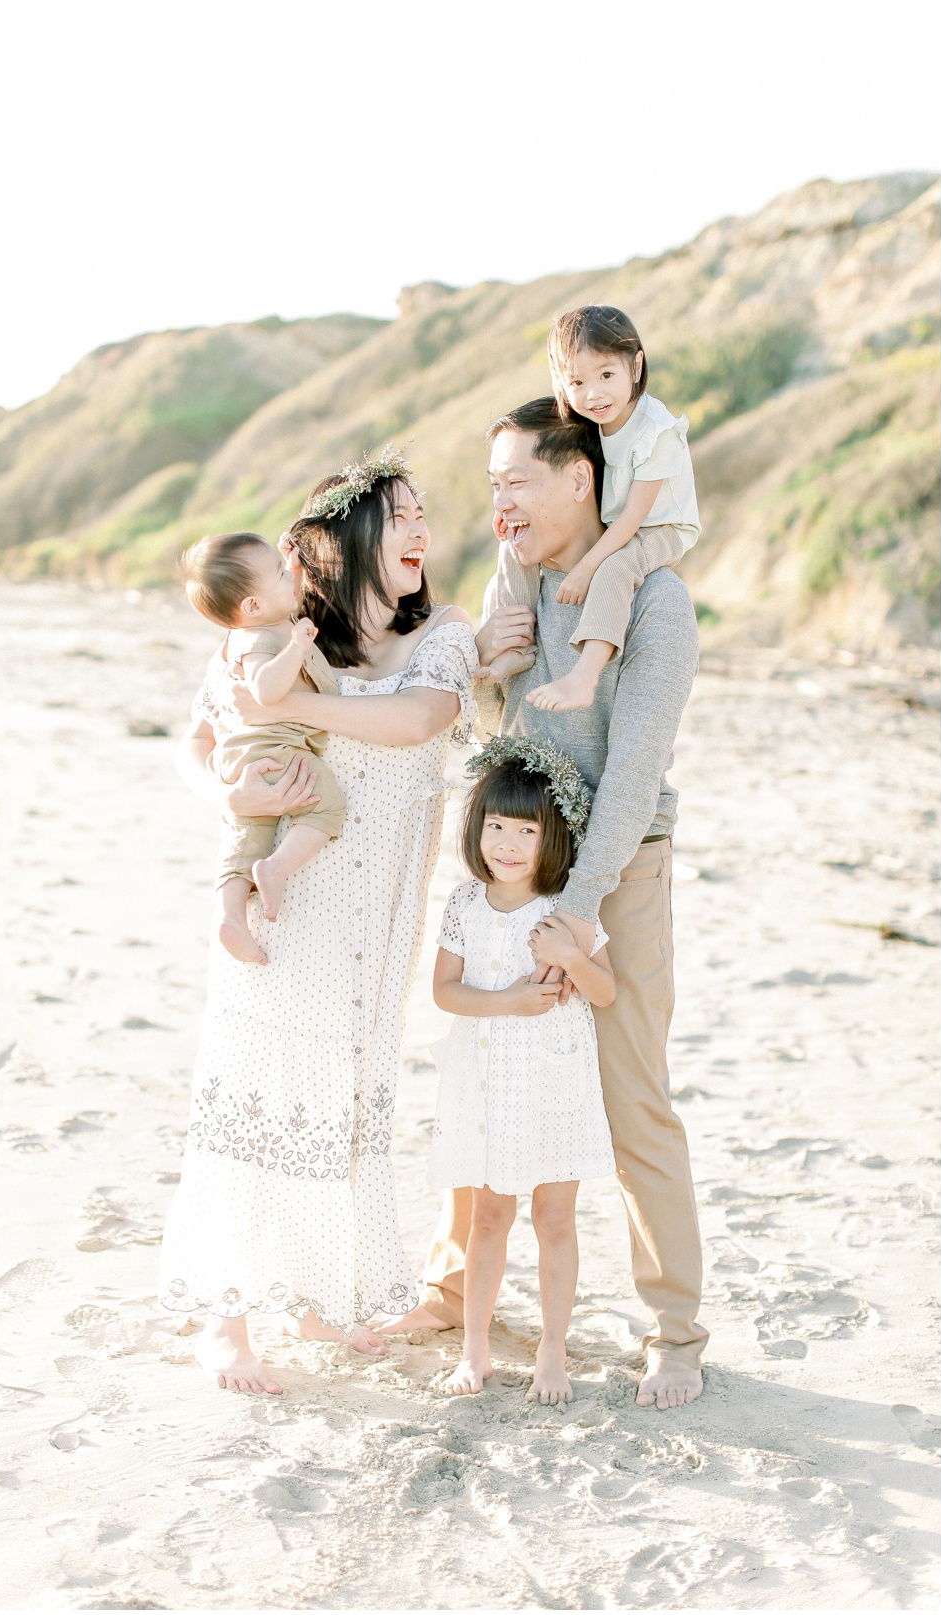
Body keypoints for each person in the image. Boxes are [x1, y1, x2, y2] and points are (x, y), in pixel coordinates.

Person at [383, 398, 707, 1411]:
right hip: (507, 875)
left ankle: (675, 1328)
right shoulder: (510, 583)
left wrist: (578, 913)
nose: (501, 504)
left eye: (517, 480)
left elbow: (634, 770)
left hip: (618, 871)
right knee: (483, 1071)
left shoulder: (654, 599)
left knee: (632, 1095)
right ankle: (451, 1286)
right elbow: (496, 743)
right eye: (490, 487)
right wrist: (496, 668)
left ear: (581, 478)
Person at [158, 446, 478, 1394]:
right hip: (285, 903)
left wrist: (290, 708)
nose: (423, 528)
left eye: (426, 513)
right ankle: (225, 1320)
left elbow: (421, 722)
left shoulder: (441, 637)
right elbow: (199, 741)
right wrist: (225, 787)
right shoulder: (282, 639)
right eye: (403, 513)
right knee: (256, 1093)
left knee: (338, 1102)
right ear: (344, 540)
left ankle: (304, 1293)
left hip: (374, 924)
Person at [429, 742, 616, 1405]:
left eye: (527, 830)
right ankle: (474, 1348)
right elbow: (445, 991)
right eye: (497, 826)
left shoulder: (565, 907)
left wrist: (571, 952)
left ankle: (553, 1351)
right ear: (477, 827)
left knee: (555, 1219)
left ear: (551, 836)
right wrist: (507, 1000)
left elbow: (605, 991)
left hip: (553, 1079)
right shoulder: (465, 903)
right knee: (487, 1217)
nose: (508, 843)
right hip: (485, 1078)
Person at [478, 306, 700, 712]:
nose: (594, 394)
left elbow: (634, 519)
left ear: (636, 366)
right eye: (577, 381)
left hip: (661, 527)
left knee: (615, 569)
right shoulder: (597, 420)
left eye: (606, 375)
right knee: (513, 543)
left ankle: (585, 674)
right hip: (622, 522)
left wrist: (586, 568)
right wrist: (510, 509)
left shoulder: (656, 430)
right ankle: (515, 647)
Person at [178, 531, 347, 964]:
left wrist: (291, 562)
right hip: (273, 751)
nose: (290, 577)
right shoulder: (260, 640)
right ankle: (276, 869)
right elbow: (266, 689)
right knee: (327, 806)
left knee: (246, 836)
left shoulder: (258, 623)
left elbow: (281, 593)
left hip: (242, 759)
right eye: (278, 573)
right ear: (252, 606)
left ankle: (230, 917)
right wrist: (297, 646)